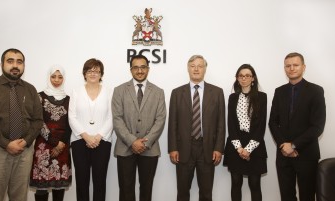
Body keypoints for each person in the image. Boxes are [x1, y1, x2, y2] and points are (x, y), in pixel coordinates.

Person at [0, 48, 43, 201]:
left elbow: (38, 120)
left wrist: (25, 141)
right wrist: (6, 144)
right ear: (1, 64)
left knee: (19, 197)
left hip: (23, 151)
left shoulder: (30, 89)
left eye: (19, 62)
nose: (15, 65)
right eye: (10, 61)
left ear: (24, 66)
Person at [269, 52, 326, 201]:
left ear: (303, 67)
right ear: (284, 68)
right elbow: (273, 122)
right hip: (283, 156)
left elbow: (317, 126)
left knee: (307, 197)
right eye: (288, 66)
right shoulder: (279, 91)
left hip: (306, 155)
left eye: (295, 65)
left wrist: (294, 145)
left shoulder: (316, 91)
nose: (291, 68)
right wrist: (284, 145)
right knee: (286, 197)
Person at [168, 55, 225, 201]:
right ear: (188, 69)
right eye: (193, 65)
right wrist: (173, 148)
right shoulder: (177, 93)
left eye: (200, 66)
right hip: (183, 149)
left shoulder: (217, 92)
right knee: (182, 192)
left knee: (206, 192)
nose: (196, 69)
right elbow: (172, 123)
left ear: (205, 69)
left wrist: (219, 148)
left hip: (207, 149)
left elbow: (221, 123)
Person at [112, 54, 166, 201]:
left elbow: (160, 119)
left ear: (148, 69)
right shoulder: (119, 90)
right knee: (125, 190)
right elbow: (117, 119)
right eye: (136, 67)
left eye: (143, 67)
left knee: (146, 189)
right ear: (131, 70)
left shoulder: (158, 92)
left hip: (149, 148)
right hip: (125, 147)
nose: (140, 71)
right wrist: (132, 141)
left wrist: (145, 142)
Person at [68, 58, 113, 201]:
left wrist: (98, 136)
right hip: (79, 141)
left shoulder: (109, 92)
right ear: (84, 73)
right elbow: (72, 116)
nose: (93, 73)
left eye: (97, 71)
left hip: (103, 141)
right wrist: (86, 136)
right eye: (90, 70)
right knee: (82, 181)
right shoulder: (76, 91)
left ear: (101, 74)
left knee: (100, 181)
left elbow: (111, 117)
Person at [223, 64, 267, 201]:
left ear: (253, 78)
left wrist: (248, 149)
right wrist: (239, 148)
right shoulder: (232, 98)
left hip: (255, 144)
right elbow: (230, 124)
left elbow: (261, 126)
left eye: (247, 75)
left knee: (255, 184)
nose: (244, 78)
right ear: (237, 78)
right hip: (236, 144)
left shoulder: (262, 97)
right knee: (236, 183)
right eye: (241, 75)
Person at [30, 66, 72, 201]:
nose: (56, 80)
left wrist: (62, 144)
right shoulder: (39, 96)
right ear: (49, 77)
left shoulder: (69, 99)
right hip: (43, 145)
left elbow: (70, 123)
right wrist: (54, 142)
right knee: (41, 186)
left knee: (58, 186)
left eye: (60, 77)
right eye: (53, 76)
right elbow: (38, 122)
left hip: (62, 147)